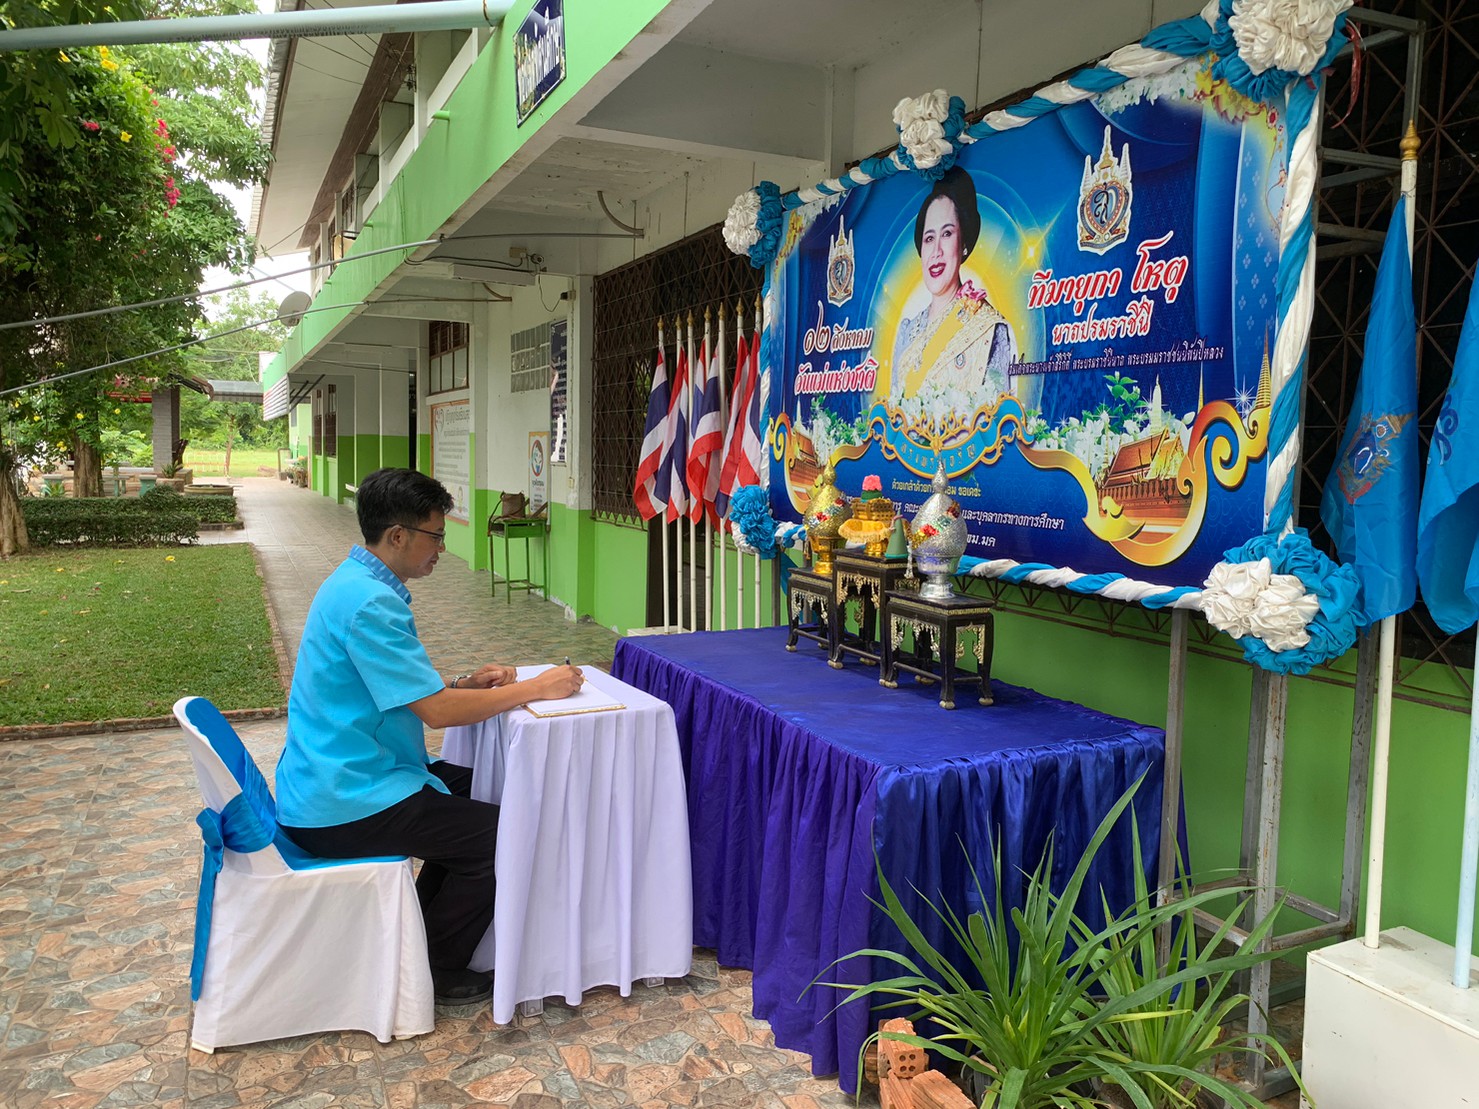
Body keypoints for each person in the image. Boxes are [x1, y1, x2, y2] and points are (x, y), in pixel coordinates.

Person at [276, 467, 583, 1005]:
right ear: (398, 535)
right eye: (436, 536)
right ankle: (436, 966)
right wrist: (537, 687)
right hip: (345, 799)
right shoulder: (371, 603)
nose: (442, 548)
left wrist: (461, 684)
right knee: (499, 836)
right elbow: (437, 714)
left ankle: (418, 935)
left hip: (344, 773)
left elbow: (400, 690)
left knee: (484, 789)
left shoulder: (354, 582)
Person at [890, 165, 1016, 407]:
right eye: (929, 238)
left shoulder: (987, 327)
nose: (936, 251)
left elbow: (999, 419)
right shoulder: (907, 332)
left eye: (947, 234)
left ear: (964, 243)